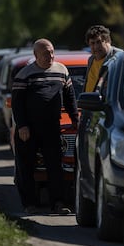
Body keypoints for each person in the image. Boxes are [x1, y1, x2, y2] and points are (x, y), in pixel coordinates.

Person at [11, 38, 79, 215]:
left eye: (51, 52)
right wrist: (22, 126)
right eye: (45, 53)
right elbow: (17, 104)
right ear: (35, 55)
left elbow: (70, 98)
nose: (50, 56)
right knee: (26, 167)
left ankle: (57, 203)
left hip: (52, 128)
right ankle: (29, 204)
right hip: (29, 129)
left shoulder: (61, 70)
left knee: (55, 167)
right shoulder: (25, 74)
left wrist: (75, 119)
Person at [83, 25, 122, 92]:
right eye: (92, 43)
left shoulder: (119, 57)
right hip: (88, 101)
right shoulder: (91, 59)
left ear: (108, 41)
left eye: (99, 42)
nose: (96, 47)